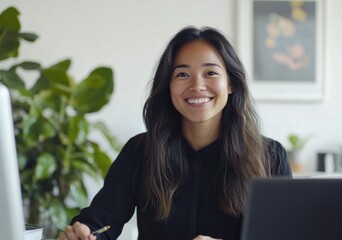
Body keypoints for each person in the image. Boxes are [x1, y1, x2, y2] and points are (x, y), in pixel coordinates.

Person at [58, 26, 292, 240]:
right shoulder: (141, 151)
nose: (197, 85)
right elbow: (102, 219)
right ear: (168, 86)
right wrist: (84, 232)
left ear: (231, 84)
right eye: (182, 74)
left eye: (210, 73)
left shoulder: (270, 157)